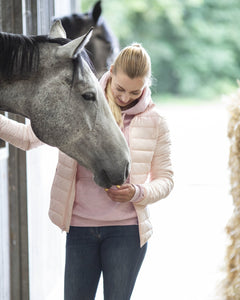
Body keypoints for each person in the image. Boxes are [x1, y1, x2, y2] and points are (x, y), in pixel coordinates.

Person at [0, 43, 173, 300]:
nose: (125, 98)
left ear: (146, 86)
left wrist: (138, 192)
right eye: (120, 89)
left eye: (135, 92)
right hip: (80, 228)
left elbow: (166, 179)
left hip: (126, 232)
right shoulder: (78, 105)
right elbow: (27, 138)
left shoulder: (155, 121)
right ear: (111, 72)